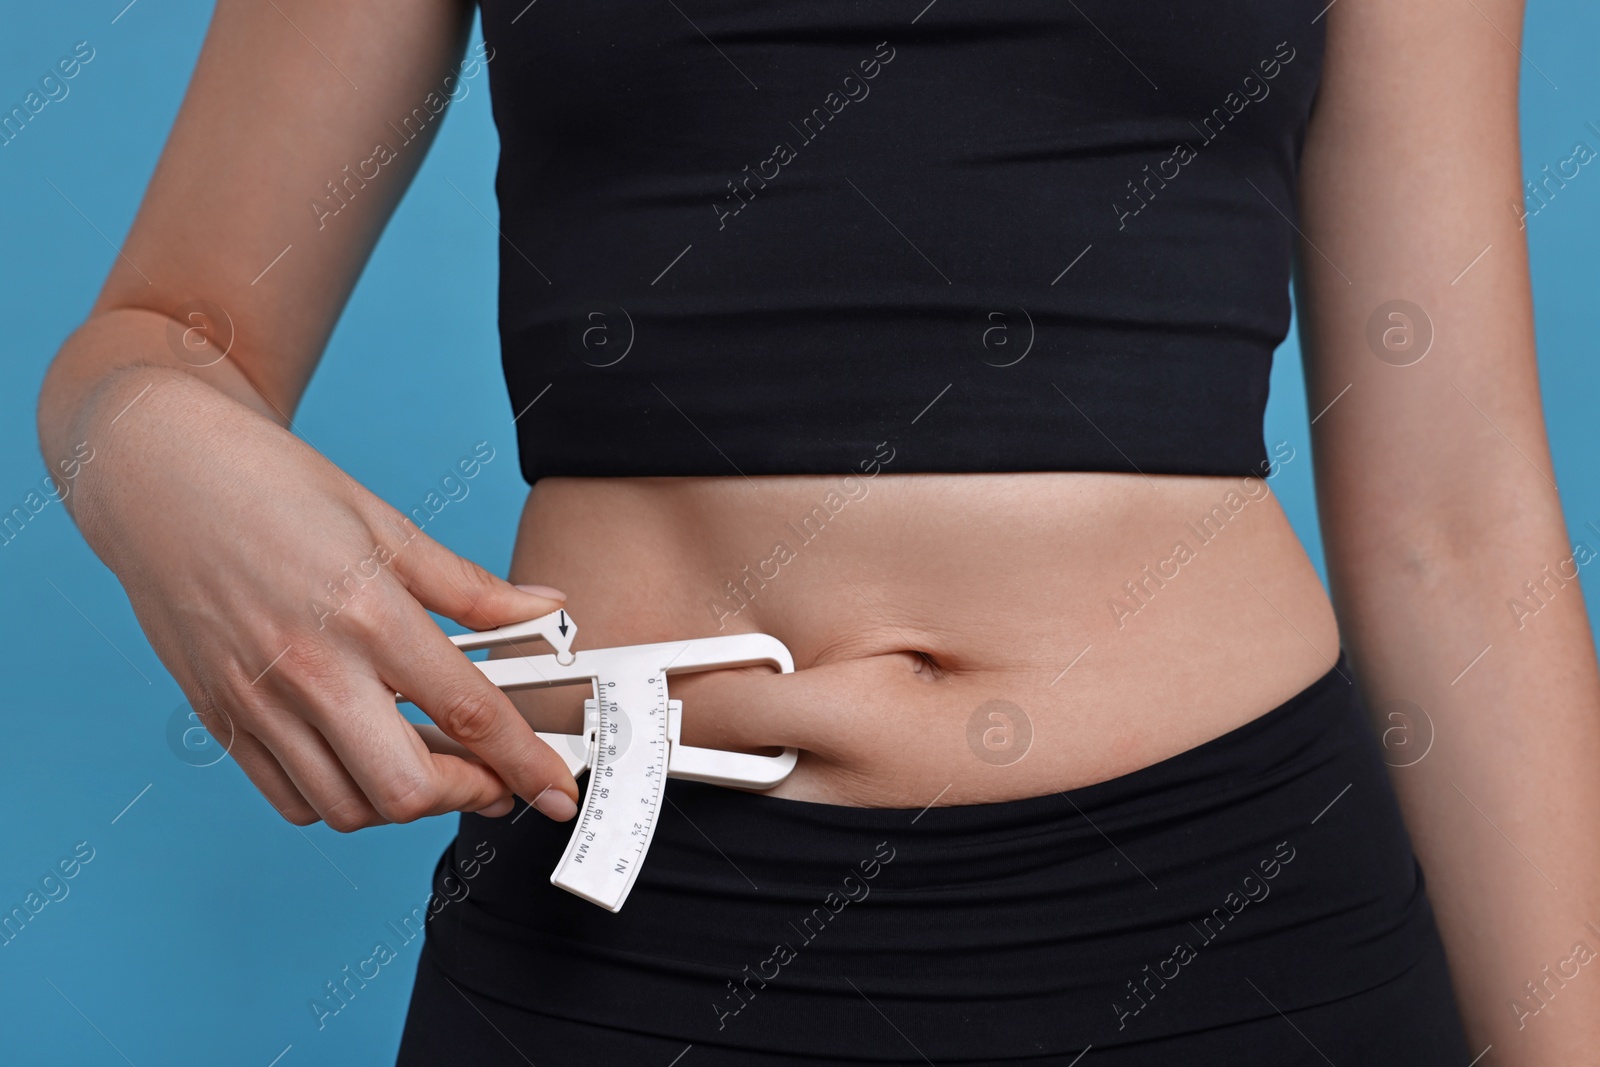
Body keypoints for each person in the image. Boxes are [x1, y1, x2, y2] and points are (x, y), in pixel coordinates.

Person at [34, 0, 1600, 1062]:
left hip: (1240, 913)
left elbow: (1453, 518)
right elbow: (162, 340)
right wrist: (133, 446)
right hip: (630, 924)